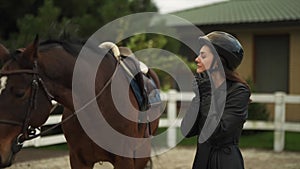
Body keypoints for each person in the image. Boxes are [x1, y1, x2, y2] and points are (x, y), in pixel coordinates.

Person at [181, 31, 251, 169]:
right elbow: (187, 130)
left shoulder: (238, 91)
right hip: (202, 160)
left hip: (224, 162)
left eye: (203, 55)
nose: (196, 59)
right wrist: (199, 97)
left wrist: (207, 94)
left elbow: (217, 133)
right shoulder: (206, 87)